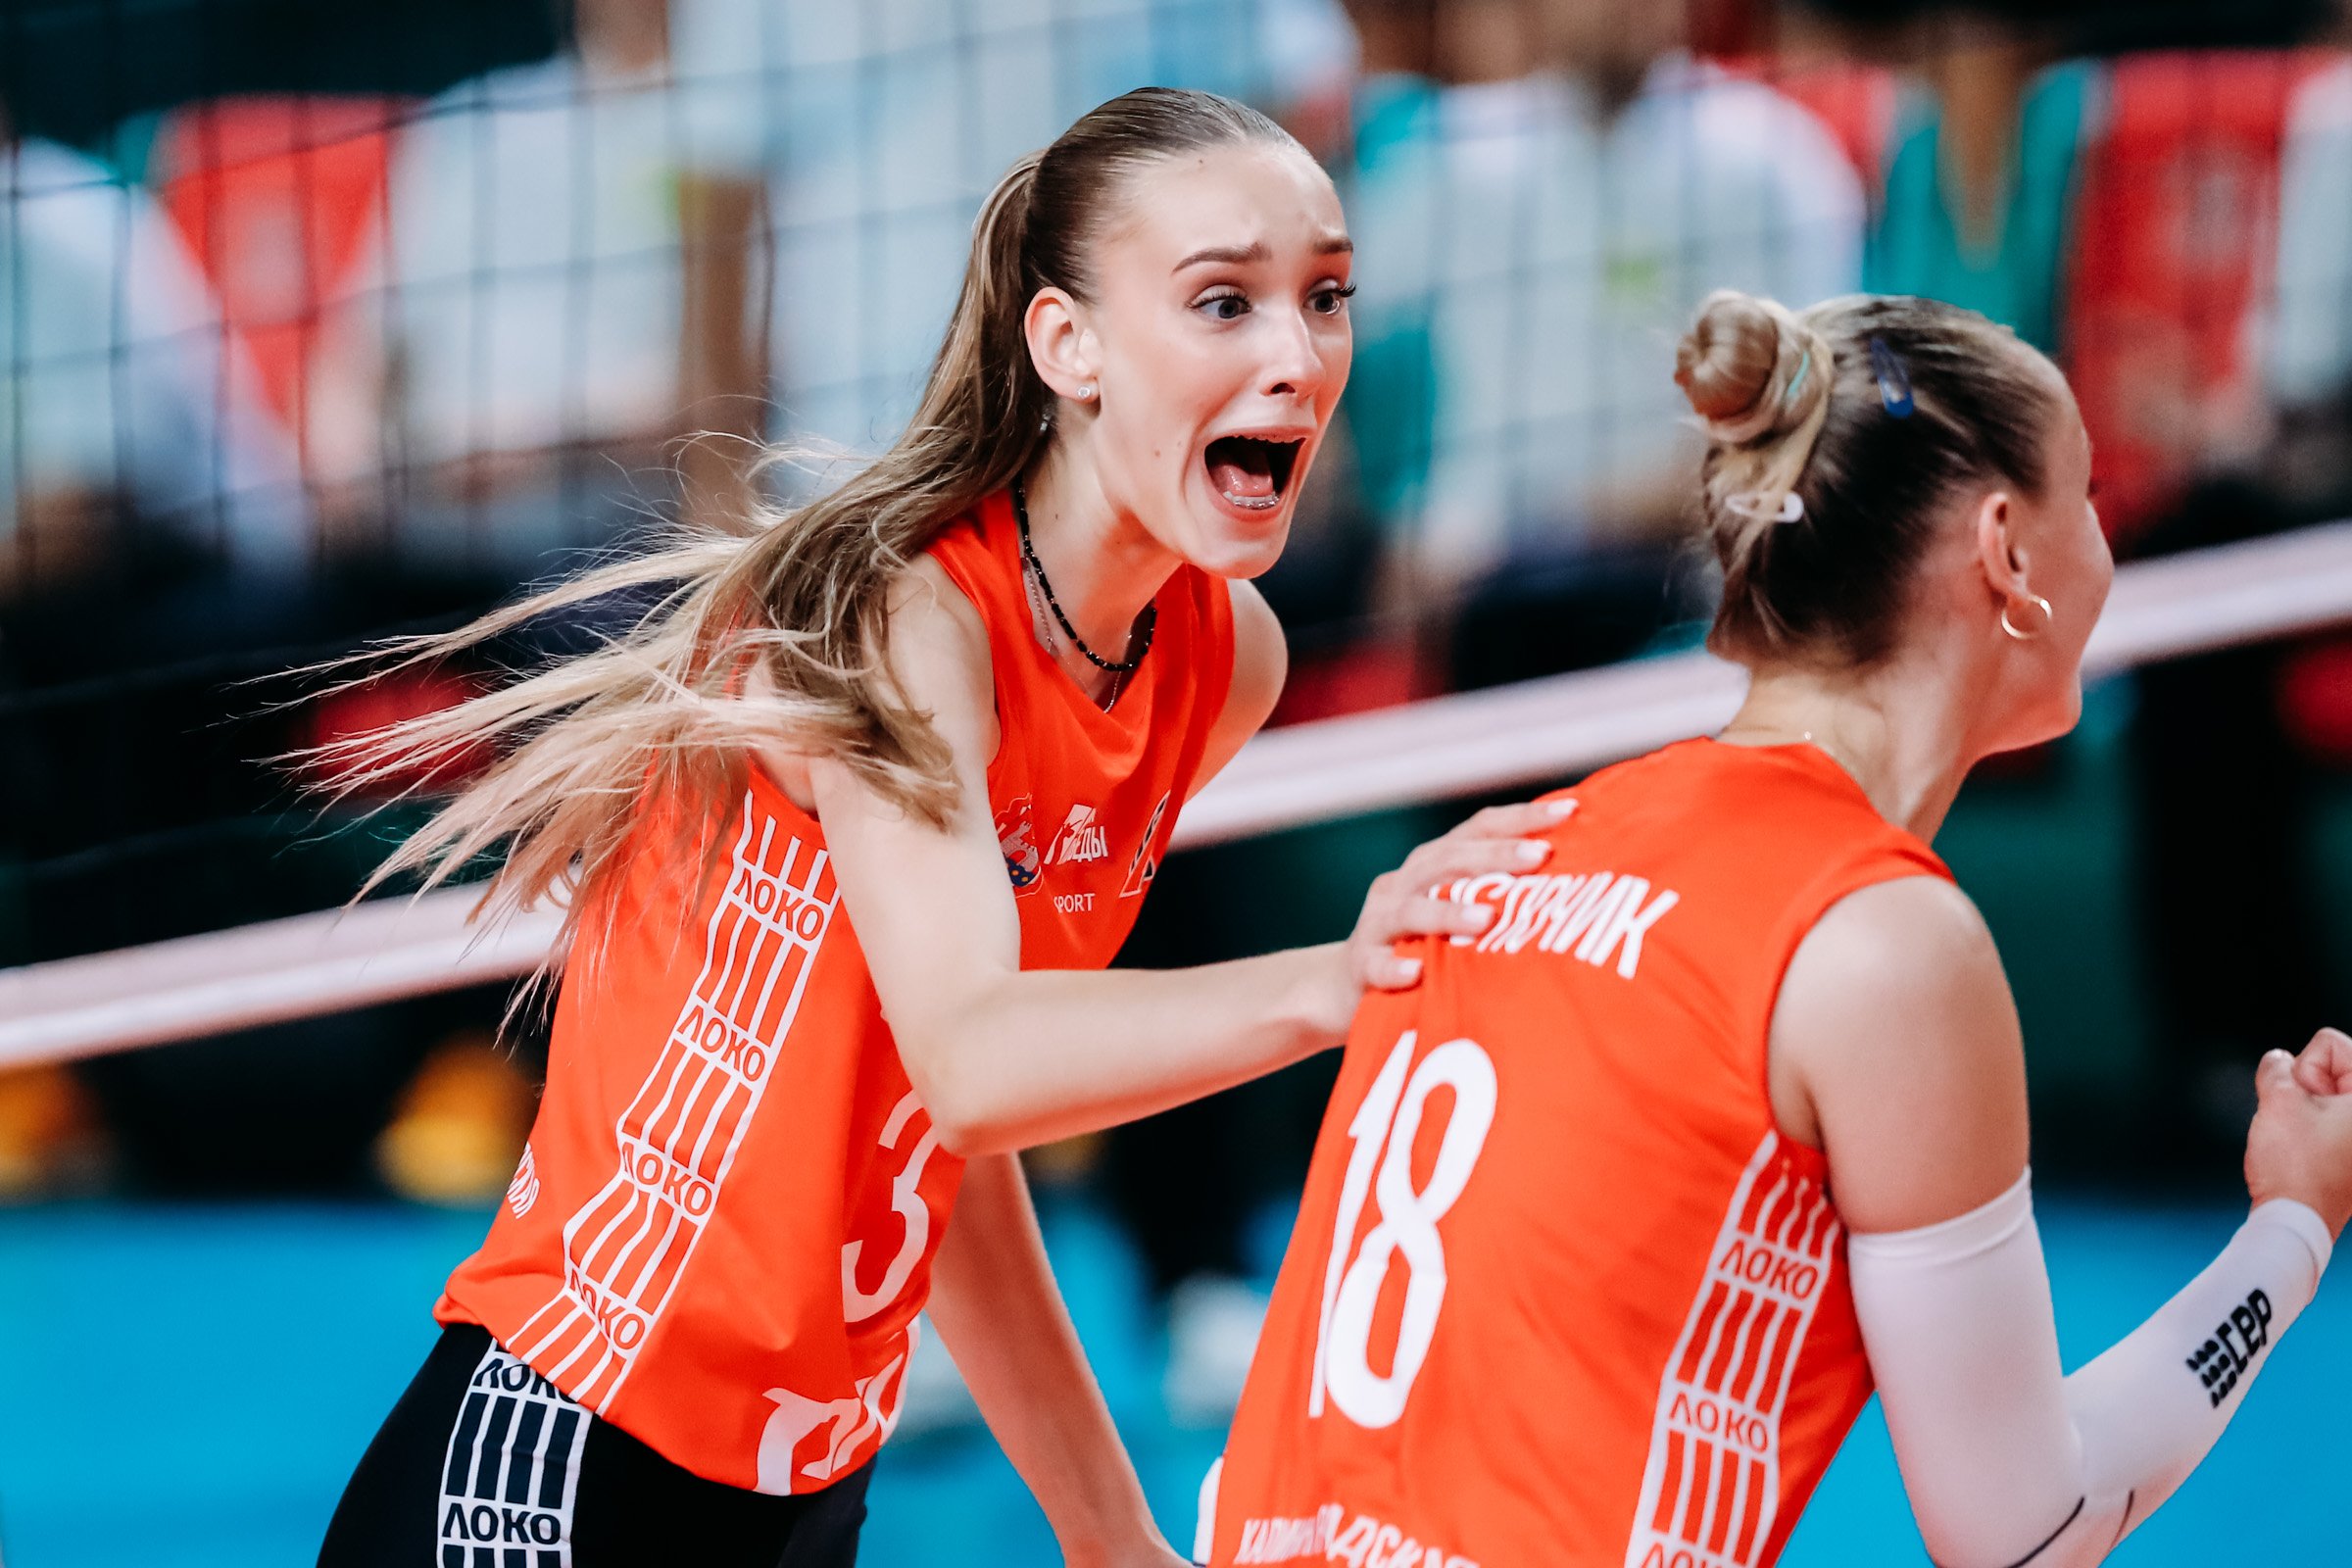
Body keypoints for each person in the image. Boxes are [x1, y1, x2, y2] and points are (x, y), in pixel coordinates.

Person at [315, 88, 1556, 1567]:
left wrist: (1111, 1535)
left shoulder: (1222, 657)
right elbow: (972, 1067)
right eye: (1224, 302)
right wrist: (1335, 983)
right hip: (570, 1446)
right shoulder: (903, 613)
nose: (1297, 357)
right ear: (1068, 346)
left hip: (807, 1480)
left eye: (1326, 297)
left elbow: (940, 1139)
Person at [1200, 289, 2352, 1568]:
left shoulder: (1519, 841)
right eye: (2084, 495)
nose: (2109, 537)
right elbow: (2030, 1528)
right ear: (2007, 550)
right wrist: (2292, 1228)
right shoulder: (1882, 939)